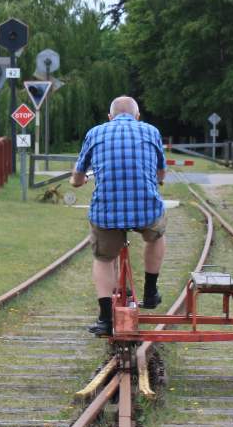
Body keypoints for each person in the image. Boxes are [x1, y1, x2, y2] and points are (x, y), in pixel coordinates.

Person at [71, 96, 167, 336]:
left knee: (103, 258)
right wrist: (156, 181)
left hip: (107, 212)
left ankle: (105, 318)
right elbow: (161, 172)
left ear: (110, 117)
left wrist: (77, 182)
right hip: (145, 208)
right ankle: (150, 292)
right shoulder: (151, 131)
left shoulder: (95, 133)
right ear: (137, 116)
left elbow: (78, 176)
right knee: (156, 234)